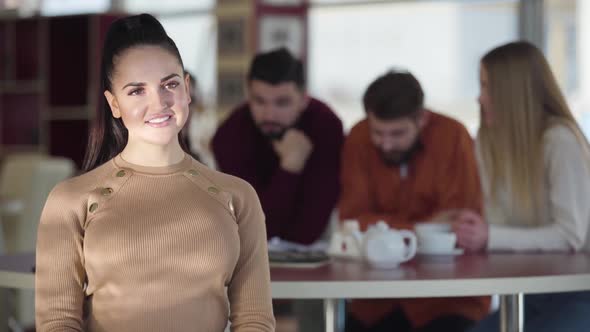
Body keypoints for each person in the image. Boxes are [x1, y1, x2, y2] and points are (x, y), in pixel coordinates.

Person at [35, 14, 275, 332]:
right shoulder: (71, 200)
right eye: (136, 91)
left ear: (187, 89)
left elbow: (254, 319)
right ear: (114, 103)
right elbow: (58, 322)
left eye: (170, 84)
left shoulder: (238, 196)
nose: (159, 102)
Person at [453, 41, 590, 332]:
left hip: (581, 293)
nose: (479, 98)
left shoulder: (560, 140)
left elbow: (570, 236)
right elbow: (499, 225)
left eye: (486, 86)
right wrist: (477, 231)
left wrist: (489, 236)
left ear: (512, 92)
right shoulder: (490, 141)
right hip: (533, 294)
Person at [339, 70, 490, 332]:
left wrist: (385, 230)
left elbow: (458, 224)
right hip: (376, 299)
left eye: (397, 133)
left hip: (447, 298)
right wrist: (425, 228)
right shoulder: (358, 137)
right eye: (378, 132)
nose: (385, 144)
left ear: (422, 118)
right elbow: (352, 220)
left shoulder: (453, 136)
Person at [212, 47, 344, 245]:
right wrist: (291, 166)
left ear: (303, 100)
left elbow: (307, 231)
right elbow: (259, 228)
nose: (269, 115)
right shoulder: (230, 135)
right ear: (248, 95)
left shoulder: (325, 125)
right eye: (259, 101)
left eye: (282, 103)